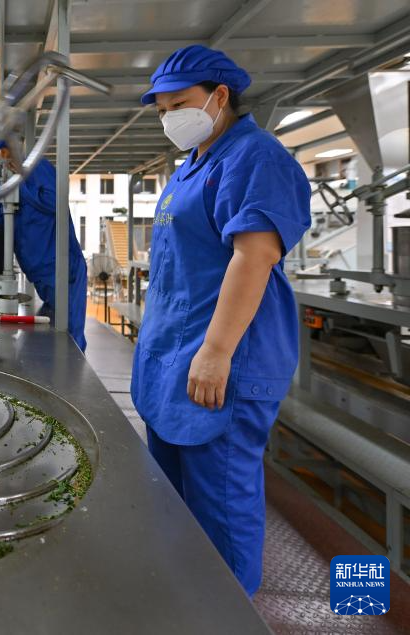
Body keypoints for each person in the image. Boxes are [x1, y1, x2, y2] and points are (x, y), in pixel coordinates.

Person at [131, 45, 310, 597]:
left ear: (220, 95)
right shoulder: (192, 166)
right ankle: (186, 610)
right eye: (162, 111)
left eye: (179, 104)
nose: (170, 118)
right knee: (175, 509)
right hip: (173, 363)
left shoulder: (255, 157)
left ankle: (228, 615)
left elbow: (254, 256)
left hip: (222, 364)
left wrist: (215, 352)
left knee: (221, 514)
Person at [0, 149, 88, 352]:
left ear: (3, 150)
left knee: (69, 339)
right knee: (53, 336)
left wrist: (20, 187)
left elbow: (56, 200)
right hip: (40, 274)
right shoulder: (3, 182)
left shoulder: (35, 167)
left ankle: (73, 369)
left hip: (62, 269)